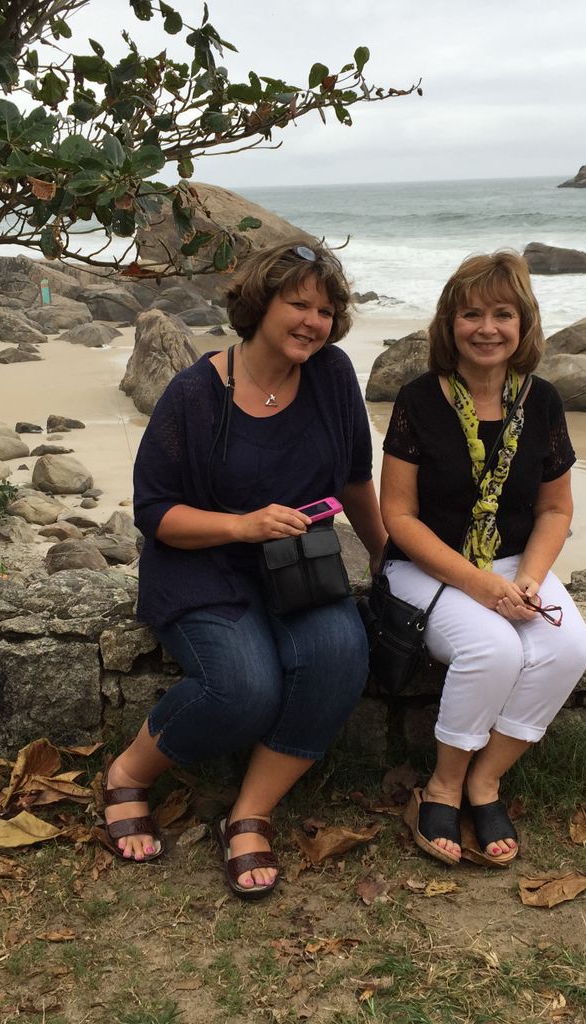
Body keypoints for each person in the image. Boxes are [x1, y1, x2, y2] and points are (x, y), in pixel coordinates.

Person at [100, 240, 386, 899]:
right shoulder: (196, 394)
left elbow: (353, 480)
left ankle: (249, 811)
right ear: (260, 303)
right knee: (243, 688)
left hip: (298, 567)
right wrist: (242, 525)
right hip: (202, 567)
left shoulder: (333, 376)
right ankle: (128, 774)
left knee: (341, 652)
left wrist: (382, 550)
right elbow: (154, 512)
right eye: (298, 303)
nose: (313, 321)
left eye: (325, 309)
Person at [380, 250, 586, 866]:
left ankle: (486, 779)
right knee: (492, 648)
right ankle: (442, 785)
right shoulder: (419, 400)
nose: (487, 328)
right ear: (449, 324)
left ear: (523, 324)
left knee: (567, 647)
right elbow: (398, 516)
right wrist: (479, 584)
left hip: (515, 565)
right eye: (471, 313)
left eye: (503, 313)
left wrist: (527, 579)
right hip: (425, 567)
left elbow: (555, 510)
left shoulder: (543, 401)